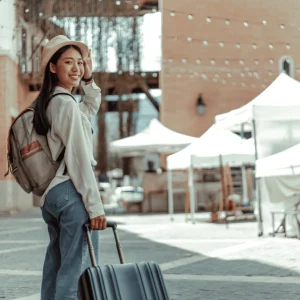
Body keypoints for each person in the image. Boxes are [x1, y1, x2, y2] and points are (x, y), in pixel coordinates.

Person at [33, 35, 106, 299]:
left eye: (79, 62)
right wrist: (95, 206)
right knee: (76, 270)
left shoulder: (53, 102)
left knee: (57, 265)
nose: (76, 68)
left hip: (52, 195)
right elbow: (79, 159)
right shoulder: (65, 104)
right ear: (53, 67)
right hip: (69, 193)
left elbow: (90, 107)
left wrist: (89, 81)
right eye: (68, 62)